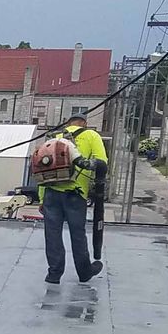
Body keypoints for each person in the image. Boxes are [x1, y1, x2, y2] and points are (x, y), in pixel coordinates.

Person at [38, 110, 107, 285]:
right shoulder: (91, 135)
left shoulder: (54, 137)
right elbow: (102, 162)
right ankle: (84, 272)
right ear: (84, 123)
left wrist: (41, 199)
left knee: (52, 234)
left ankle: (54, 274)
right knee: (77, 234)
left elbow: (42, 169)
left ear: (68, 123)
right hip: (75, 194)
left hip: (51, 193)